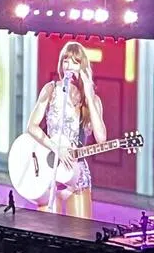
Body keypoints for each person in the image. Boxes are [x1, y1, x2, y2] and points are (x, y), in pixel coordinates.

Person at [25, 40, 107, 218]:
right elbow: (31, 126)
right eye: (65, 60)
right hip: (49, 170)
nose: (69, 65)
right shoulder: (51, 89)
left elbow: (101, 138)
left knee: (80, 229)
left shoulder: (92, 100)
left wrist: (89, 96)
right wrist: (56, 148)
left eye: (75, 62)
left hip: (75, 173)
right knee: (46, 229)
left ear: (82, 67)